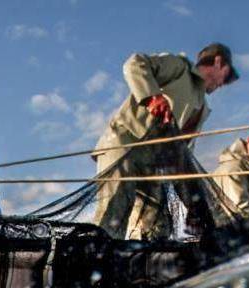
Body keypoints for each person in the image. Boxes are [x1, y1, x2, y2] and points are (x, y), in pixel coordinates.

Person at [91, 43, 239, 241]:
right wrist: (152, 97)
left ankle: (138, 258)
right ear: (218, 62)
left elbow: (183, 154)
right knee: (114, 212)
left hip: (153, 166)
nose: (224, 84)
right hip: (124, 144)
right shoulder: (179, 67)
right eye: (227, 76)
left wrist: (191, 202)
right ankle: (95, 257)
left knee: (158, 223)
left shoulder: (202, 108)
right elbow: (135, 63)